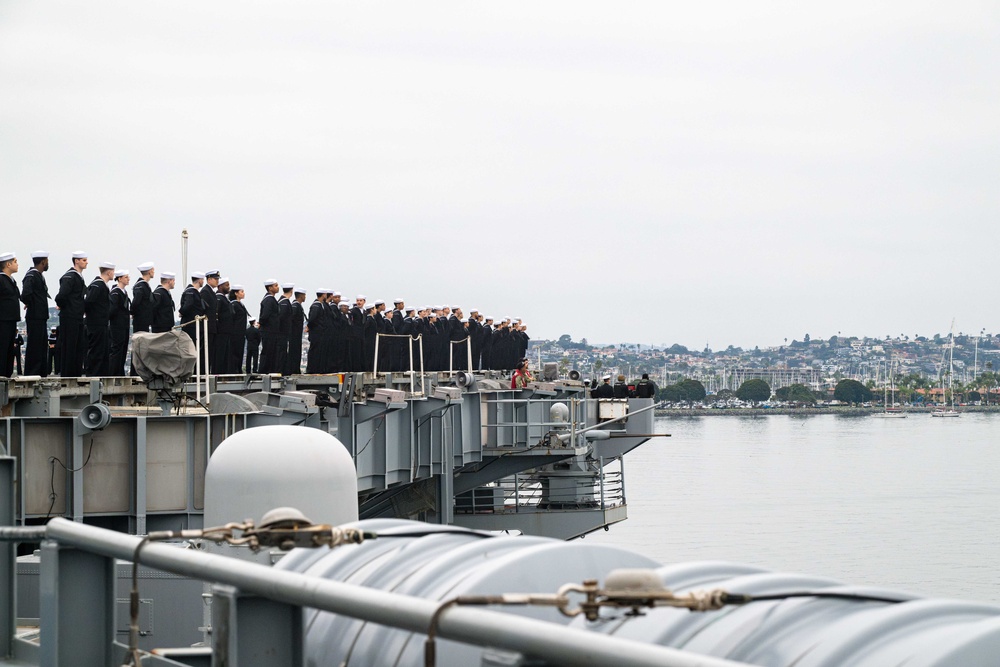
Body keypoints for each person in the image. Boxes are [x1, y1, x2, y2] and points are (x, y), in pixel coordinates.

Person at [55, 251, 89, 376]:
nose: (86, 262)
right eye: (84, 260)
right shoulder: (70, 276)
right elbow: (61, 296)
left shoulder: (78, 276)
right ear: (76, 261)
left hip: (77, 316)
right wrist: (68, 308)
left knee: (78, 346)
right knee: (69, 346)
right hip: (70, 316)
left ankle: (75, 373)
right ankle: (68, 375)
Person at [19, 251, 50, 376]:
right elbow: (25, 294)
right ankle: (33, 373)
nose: (48, 264)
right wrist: (30, 303)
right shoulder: (31, 276)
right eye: (47, 261)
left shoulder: (38, 276)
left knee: (41, 346)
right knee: (35, 346)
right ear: (43, 261)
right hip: (35, 316)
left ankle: (41, 372)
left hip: (40, 316)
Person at [83, 261, 116, 376]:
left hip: (101, 323)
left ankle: (100, 374)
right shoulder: (98, 285)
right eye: (113, 272)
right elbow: (89, 302)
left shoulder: (102, 285)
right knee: (96, 351)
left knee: (102, 351)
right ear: (109, 272)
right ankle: (93, 375)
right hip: (96, 324)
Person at [0, 252, 20, 377]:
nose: (17, 264)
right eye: (15, 261)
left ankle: (7, 374)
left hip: (11, 319)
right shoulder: (1, 280)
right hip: (3, 319)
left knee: (9, 349)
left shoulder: (10, 280)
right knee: (2, 347)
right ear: (8, 264)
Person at [108, 269, 131, 376]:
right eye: (126, 277)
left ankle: (119, 372)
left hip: (124, 325)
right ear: (120, 278)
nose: (128, 279)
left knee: (123, 349)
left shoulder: (123, 292)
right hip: (117, 325)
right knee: (116, 349)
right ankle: (114, 373)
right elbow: (112, 310)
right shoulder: (115, 293)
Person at [257, 279, 280, 373]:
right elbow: (265, 315)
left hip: (272, 330)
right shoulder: (269, 300)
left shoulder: (271, 299)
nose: (277, 287)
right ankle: (263, 371)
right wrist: (261, 323)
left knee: (271, 352)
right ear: (270, 288)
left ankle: (269, 370)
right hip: (268, 330)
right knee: (267, 351)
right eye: (275, 285)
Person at [201, 270, 221, 371]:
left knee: (210, 352)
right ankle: (203, 373)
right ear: (209, 280)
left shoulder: (211, 292)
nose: (217, 281)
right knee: (205, 352)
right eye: (215, 279)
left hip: (212, 327)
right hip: (207, 327)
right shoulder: (205, 291)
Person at [179, 272, 205, 342]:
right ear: (199, 280)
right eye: (202, 280)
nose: (203, 281)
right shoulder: (190, 292)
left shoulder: (195, 292)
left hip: (194, 325)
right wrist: (181, 312)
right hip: (191, 325)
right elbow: (188, 304)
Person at [213, 277, 232, 374]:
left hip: (226, 331)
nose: (228, 287)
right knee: (219, 356)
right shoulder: (219, 298)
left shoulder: (224, 299)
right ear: (220, 286)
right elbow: (216, 315)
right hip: (221, 332)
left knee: (225, 356)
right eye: (226, 285)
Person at [286, 287, 306, 374]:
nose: (305, 297)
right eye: (304, 295)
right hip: (294, 334)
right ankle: (293, 369)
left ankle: (295, 369)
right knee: (294, 352)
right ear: (301, 296)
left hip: (297, 334)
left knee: (297, 351)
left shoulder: (298, 306)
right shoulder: (295, 306)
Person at [229, 285, 248, 373]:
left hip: (241, 333)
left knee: (240, 352)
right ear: (236, 293)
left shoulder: (240, 304)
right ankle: (234, 370)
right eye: (241, 291)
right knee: (235, 353)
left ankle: (238, 369)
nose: (243, 293)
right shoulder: (233, 304)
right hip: (235, 333)